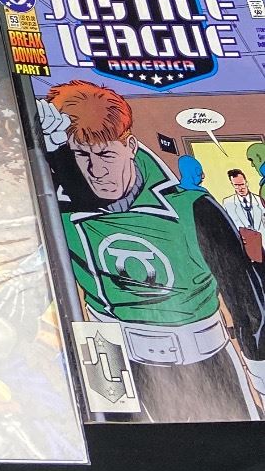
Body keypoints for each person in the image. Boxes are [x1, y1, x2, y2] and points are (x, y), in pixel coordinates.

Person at [39, 81, 265, 422]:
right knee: (115, 450)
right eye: (82, 155)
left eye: (106, 154)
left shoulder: (190, 206)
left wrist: (261, 376)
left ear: (130, 146)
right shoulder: (58, 207)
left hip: (200, 356)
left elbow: (246, 297)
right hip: (103, 349)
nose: (96, 170)